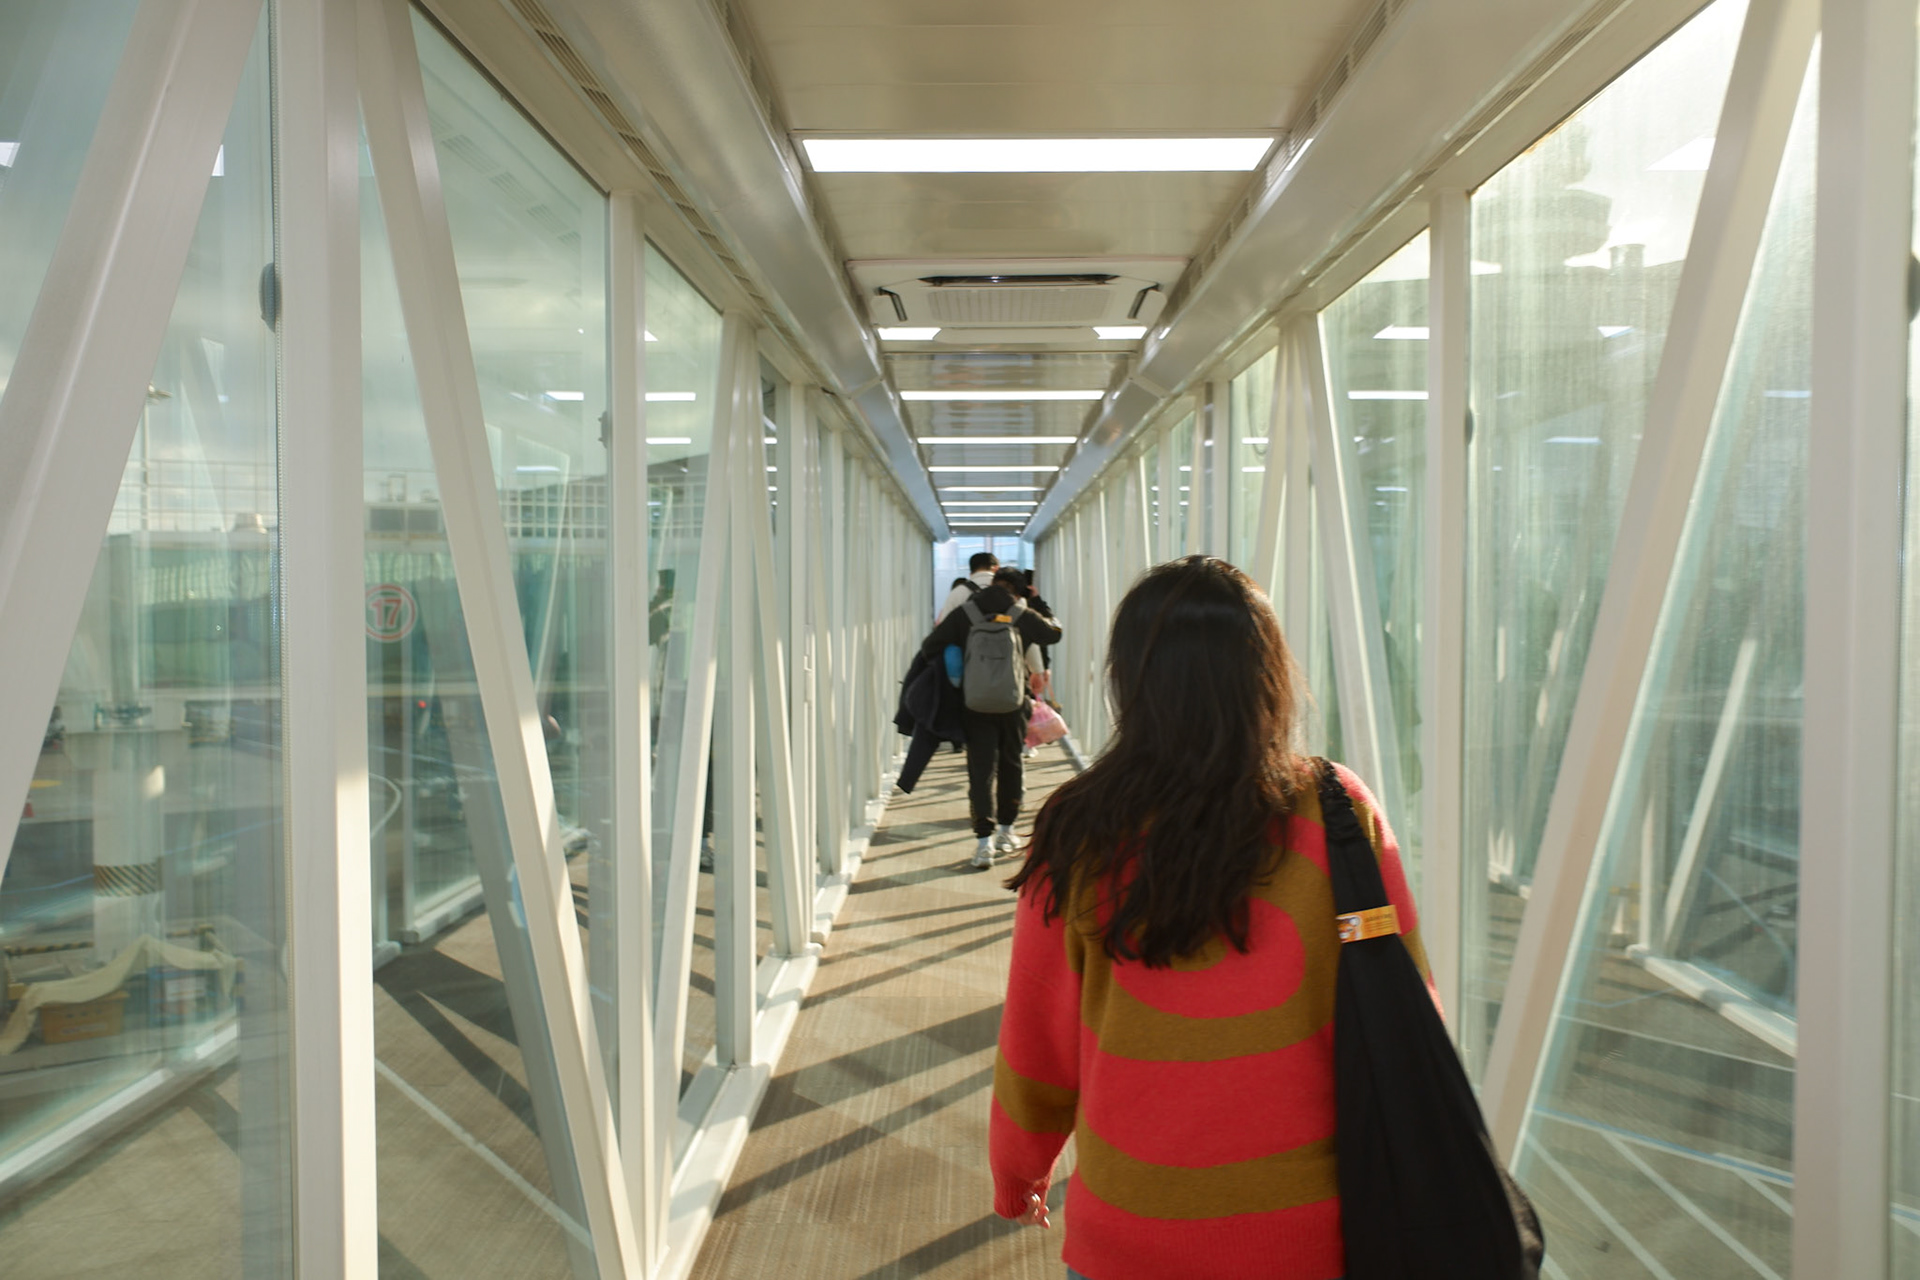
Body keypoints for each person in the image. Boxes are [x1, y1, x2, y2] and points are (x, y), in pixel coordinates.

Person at [989, 556, 1431, 1280]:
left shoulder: (1079, 826)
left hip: (1128, 1229)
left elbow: (1039, 1034)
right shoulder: (1336, 809)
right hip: (1314, 1233)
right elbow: (1409, 998)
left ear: (1131, 679)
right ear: (1268, 674)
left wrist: (1020, 1170)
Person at [920, 567, 1061, 869]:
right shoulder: (1021, 613)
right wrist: (1038, 603)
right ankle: (1007, 832)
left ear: (993, 583)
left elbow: (930, 646)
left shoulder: (965, 614)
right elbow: (1054, 634)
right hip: (1013, 704)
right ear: (1019, 591)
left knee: (980, 771)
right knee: (1011, 765)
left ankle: (983, 842)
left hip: (974, 706)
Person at [935, 551, 999, 624]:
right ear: (996, 568)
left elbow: (944, 626)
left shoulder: (958, 592)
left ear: (971, 572)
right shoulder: (1006, 589)